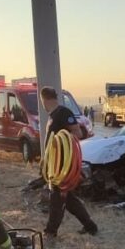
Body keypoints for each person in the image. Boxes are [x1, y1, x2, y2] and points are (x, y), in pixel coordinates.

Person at [40, 86, 98, 239]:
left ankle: (50, 232)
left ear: (44, 99)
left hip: (62, 167)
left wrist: (59, 145)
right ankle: (90, 226)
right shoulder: (53, 115)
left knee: (56, 198)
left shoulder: (63, 112)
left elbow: (77, 133)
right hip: (53, 164)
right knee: (69, 200)